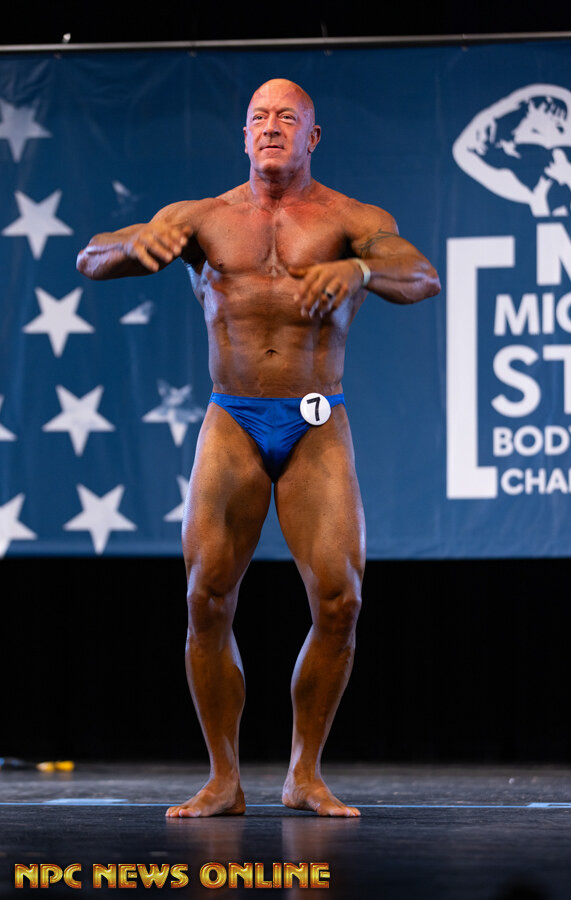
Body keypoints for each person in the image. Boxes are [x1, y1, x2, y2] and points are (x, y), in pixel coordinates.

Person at [77, 78, 440, 818]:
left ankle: (304, 774)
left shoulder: (353, 220)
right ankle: (223, 778)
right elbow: (89, 256)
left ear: (313, 136)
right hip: (233, 419)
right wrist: (130, 246)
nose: (271, 127)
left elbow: (422, 275)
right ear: (244, 136)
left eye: (287, 118)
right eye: (259, 118)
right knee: (205, 598)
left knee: (340, 601)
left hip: (316, 419)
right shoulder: (203, 218)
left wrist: (360, 269)